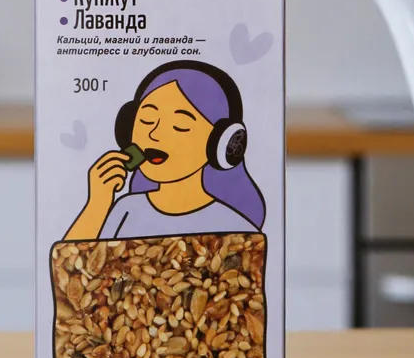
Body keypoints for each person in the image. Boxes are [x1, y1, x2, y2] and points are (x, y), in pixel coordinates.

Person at [65, 61, 265, 240]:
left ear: (220, 143)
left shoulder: (236, 229)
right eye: (147, 120)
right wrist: (97, 204)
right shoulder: (126, 210)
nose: (154, 134)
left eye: (180, 125)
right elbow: (70, 265)